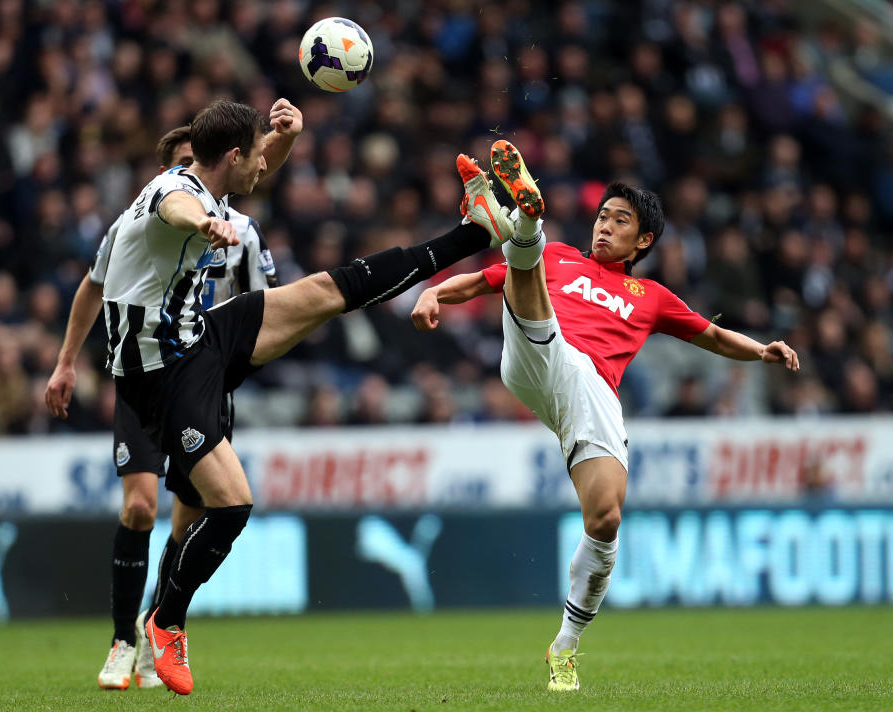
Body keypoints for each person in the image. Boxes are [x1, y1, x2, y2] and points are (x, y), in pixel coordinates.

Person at [104, 98, 512, 695]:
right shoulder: (177, 192)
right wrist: (206, 225)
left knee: (327, 290)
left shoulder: (217, 173)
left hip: (200, 334)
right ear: (231, 156)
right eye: (256, 158)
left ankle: (475, 230)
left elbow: (252, 162)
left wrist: (280, 134)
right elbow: (178, 206)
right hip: (157, 373)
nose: (263, 172)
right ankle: (164, 623)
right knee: (232, 505)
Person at [411, 139, 800, 693]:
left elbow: (711, 335)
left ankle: (565, 646)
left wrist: (761, 349)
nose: (604, 227)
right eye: (602, 216)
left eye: (620, 221)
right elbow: (476, 283)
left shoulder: (650, 296)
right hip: (536, 351)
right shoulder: (565, 258)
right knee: (531, 275)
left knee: (606, 519)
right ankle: (525, 219)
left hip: (587, 396)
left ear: (643, 241)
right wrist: (433, 296)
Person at [44, 123, 279, 690]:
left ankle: (159, 628)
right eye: (176, 166)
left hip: (202, 382)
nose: (184, 178)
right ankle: (124, 640)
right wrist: (66, 360)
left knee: (189, 522)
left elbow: (260, 177)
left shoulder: (242, 231)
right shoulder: (144, 216)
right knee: (140, 508)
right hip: (141, 378)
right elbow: (93, 286)